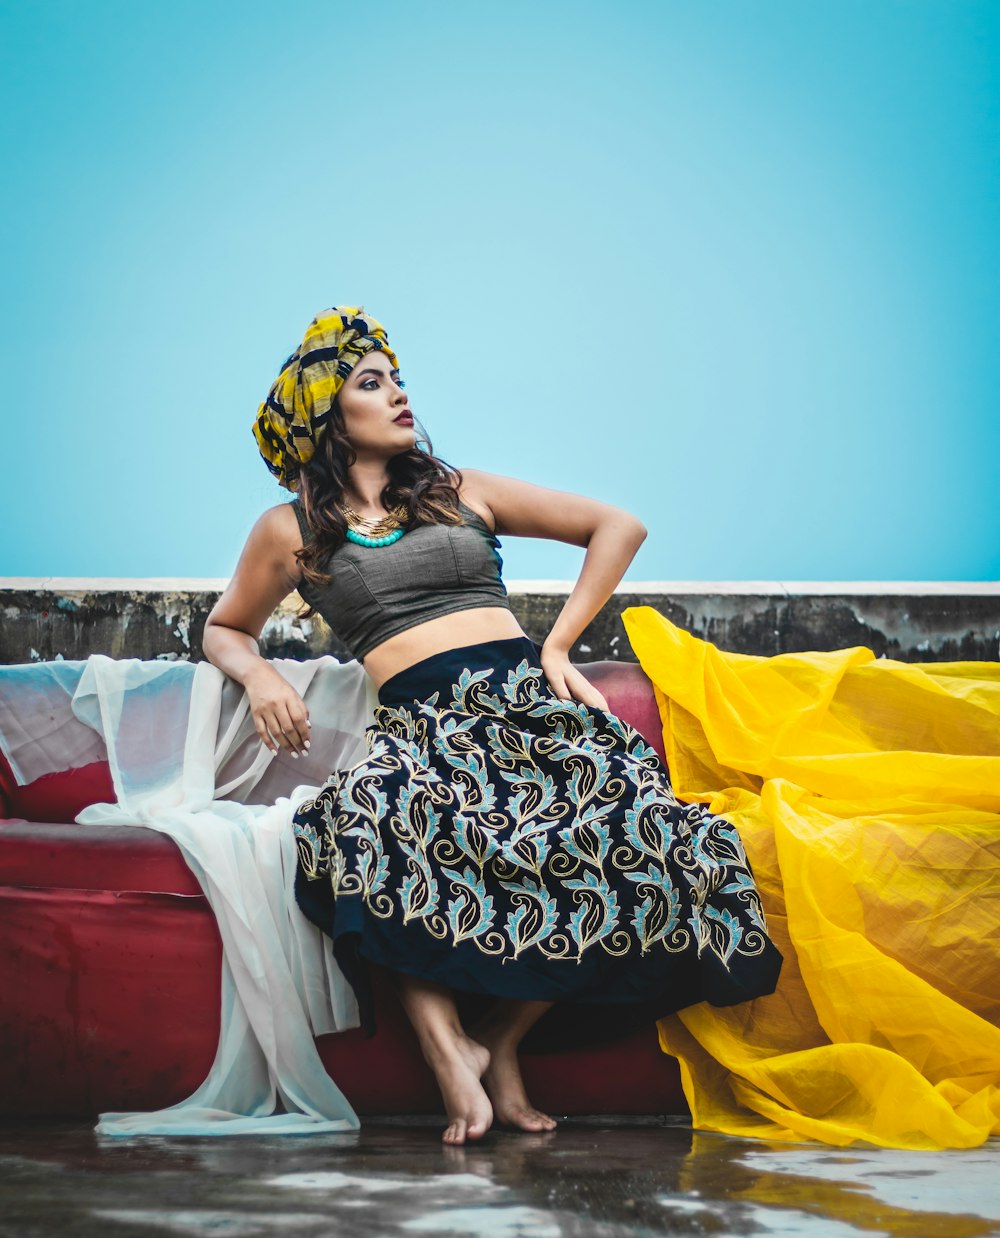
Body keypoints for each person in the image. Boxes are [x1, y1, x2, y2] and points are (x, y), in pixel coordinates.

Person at [202, 306, 782, 1146]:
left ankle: (503, 1042)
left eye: (398, 379)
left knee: (642, 829)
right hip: (425, 732)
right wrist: (255, 676)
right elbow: (225, 626)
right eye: (372, 383)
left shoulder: (460, 489)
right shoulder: (289, 531)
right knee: (365, 822)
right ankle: (449, 1051)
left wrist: (557, 644)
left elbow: (617, 526)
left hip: (532, 716)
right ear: (328, 418)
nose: (400, 394)